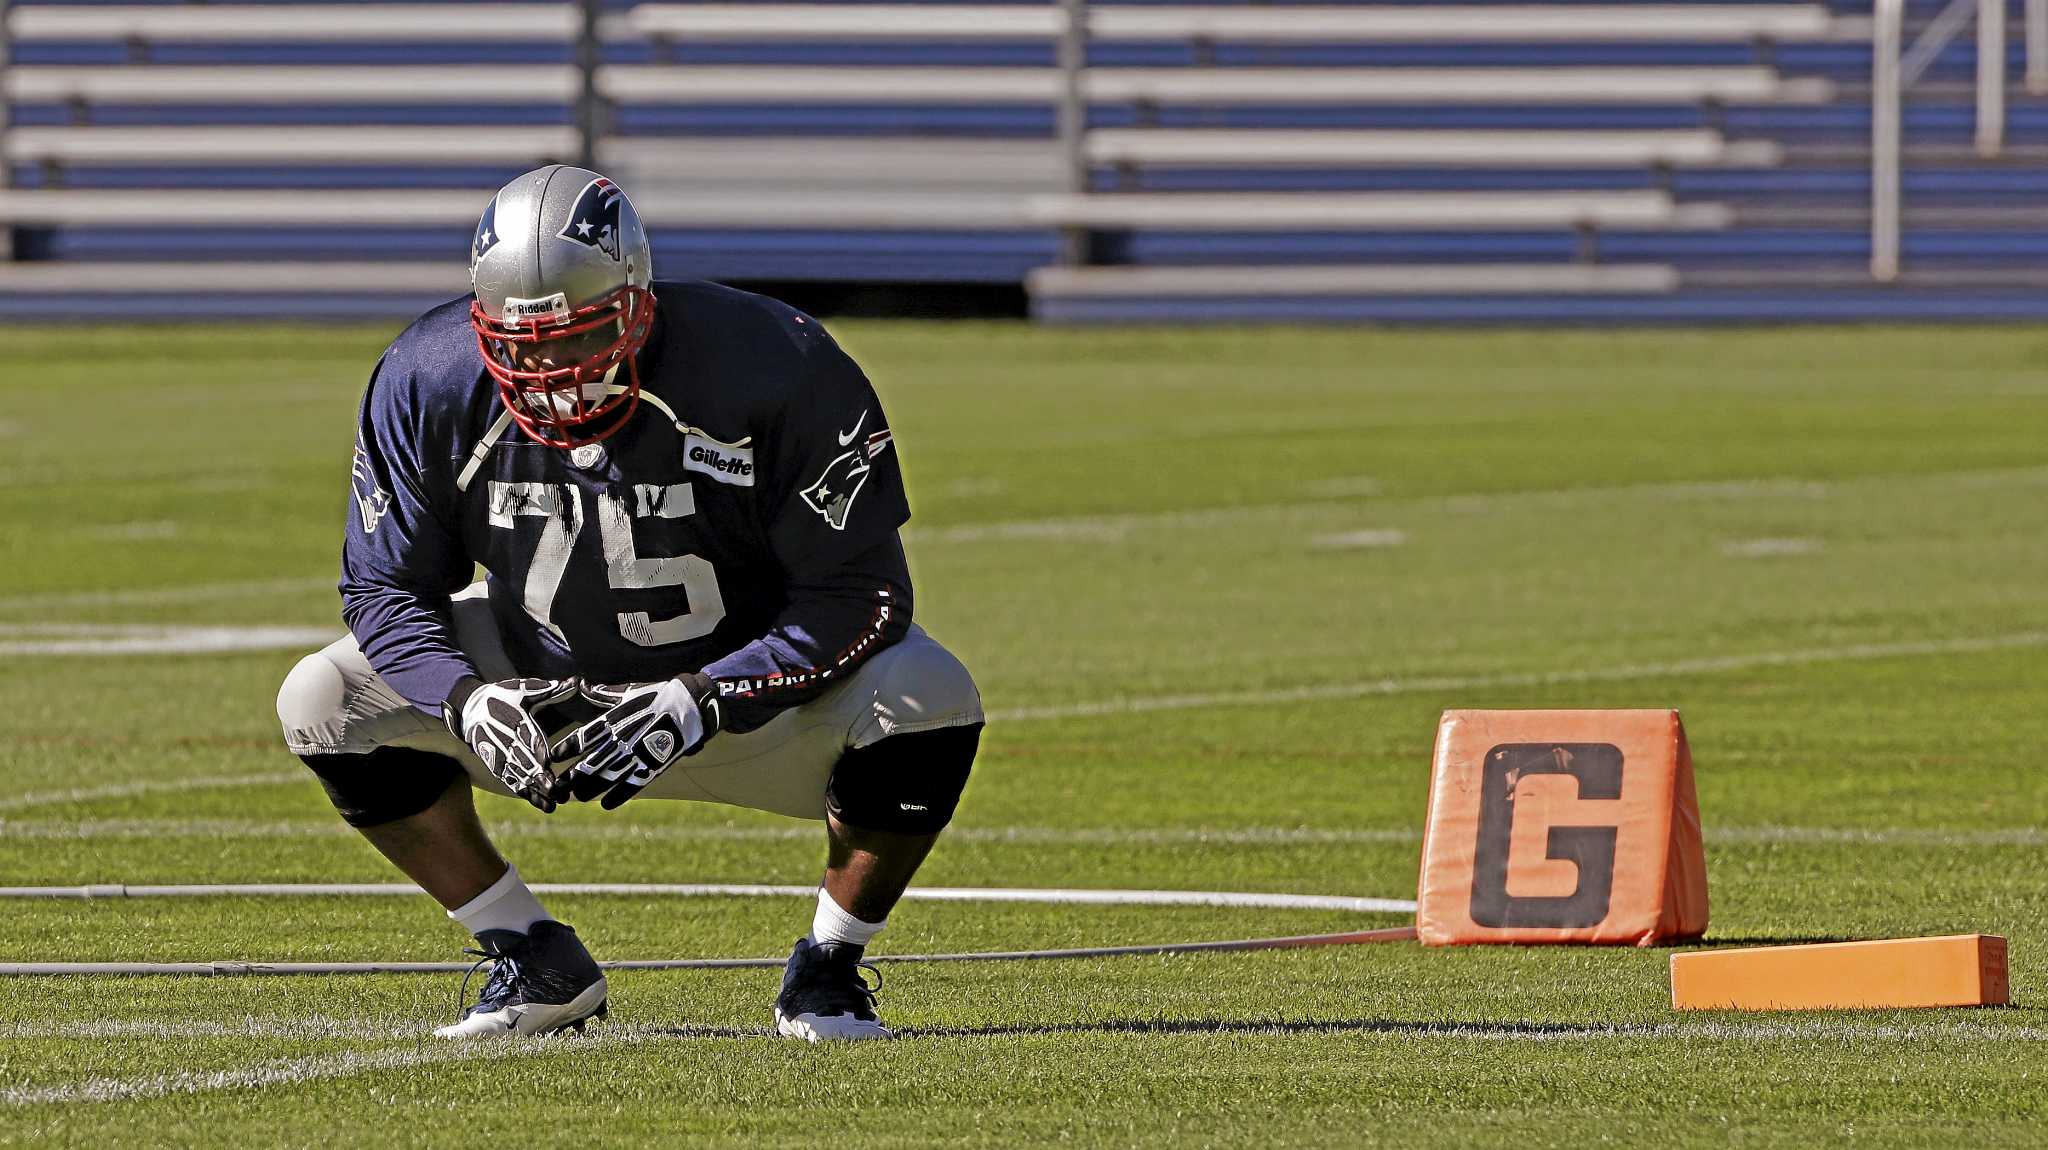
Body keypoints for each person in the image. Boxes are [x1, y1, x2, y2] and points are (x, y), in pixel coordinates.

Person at [274, 165, 985, 1042]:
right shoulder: (427, 378)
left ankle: (829, 966)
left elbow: (864, 594)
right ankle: (530, 955)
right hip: (546, 698)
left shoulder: (775, 364)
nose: (551, 373)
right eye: (519, 344)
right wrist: (468, 700)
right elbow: (383, 590)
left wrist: (706, 696)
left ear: (639, 302)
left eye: (578, 336)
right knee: (322, 697)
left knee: (929, 694)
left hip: (747, 704)